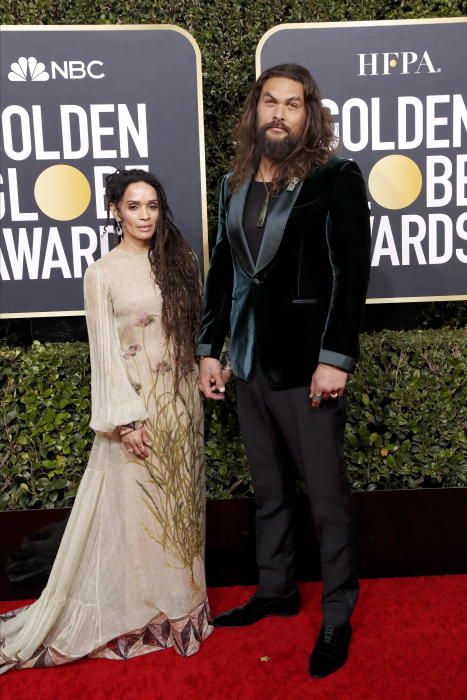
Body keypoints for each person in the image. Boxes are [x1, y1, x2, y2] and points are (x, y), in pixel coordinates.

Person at [0, 169, 213, 673]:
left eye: (152, 206)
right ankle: (145, 611)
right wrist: (125, 420)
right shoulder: (103, 272)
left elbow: (196, 332)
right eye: (134, 206)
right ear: (115, 210)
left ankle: (183, 609)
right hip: (138, 412)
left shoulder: (179, 262)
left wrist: (211, 367)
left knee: (181, 508)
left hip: (182, 405)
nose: (145, 215)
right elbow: (106, 355)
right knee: (141, 515)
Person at [197, 64, 371, 678]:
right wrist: (209, 349)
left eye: (292, 104)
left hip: (307, 366)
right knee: (269, 491)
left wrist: (334, 358)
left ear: (308, 115)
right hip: (247, 364)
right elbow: (225, 273)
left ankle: (338, 611)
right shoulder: (234, 183)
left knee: (325, 498)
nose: (279, 113)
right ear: (255, 111)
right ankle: (276, 588)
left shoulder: (335, 177)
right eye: (269, 101)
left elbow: (351, 277)